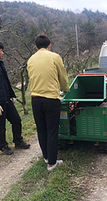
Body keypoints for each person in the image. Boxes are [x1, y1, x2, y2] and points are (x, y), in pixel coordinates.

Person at [27, 34, 70, 171]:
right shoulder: (55, 57)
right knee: (52, 131)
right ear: (49, 45)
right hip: (51, 99)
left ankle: (46, 156)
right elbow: (62, 76)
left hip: (35, 99)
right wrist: (66, 90)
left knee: (42, 130)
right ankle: (52, 163)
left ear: (36, 47)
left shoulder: (30, 60)